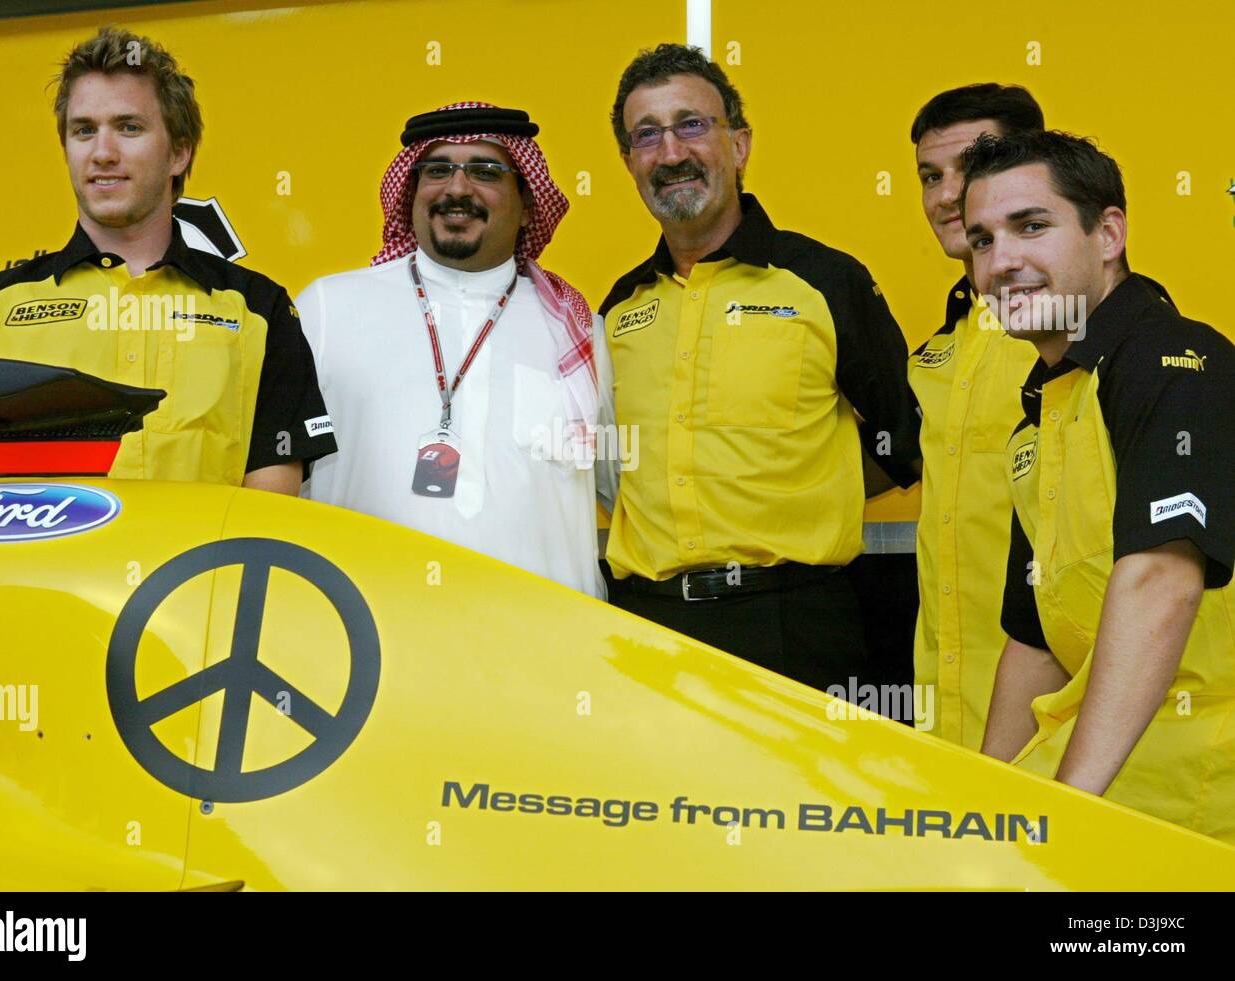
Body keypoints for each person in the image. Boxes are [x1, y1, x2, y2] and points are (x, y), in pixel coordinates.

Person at [600, 44, 921, 690]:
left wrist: (802, 484)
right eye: (647, 136)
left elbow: (905, 440)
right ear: (630, 162)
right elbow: (611, 472)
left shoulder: (826, 281)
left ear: (739, 144)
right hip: (645, 630)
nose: (671, 153)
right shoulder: (616, 310)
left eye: (692, 125)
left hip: (795, 627)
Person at [963, 130, 1235, 843]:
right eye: (982, 241)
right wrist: (984, 811)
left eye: (1031, 226)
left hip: (1197, 800)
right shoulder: (1046, 411)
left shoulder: (1177, 361)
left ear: (1108, 232)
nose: (1002, 262)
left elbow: (1163, 579)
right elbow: (1035, 639)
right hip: (1105, 794)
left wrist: (1065, 810)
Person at [0, 26, 334, 492]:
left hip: (201, 567)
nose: (103, 153)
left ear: (179, 153)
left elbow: (274, 503)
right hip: (41, 566)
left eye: (129, 127)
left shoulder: (257, 307)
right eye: (84, 130)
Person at [298, 103, 613, 598]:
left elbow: (626, 496)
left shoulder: (578, 331)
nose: (457, 189)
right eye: (438, 170)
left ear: (529, 203)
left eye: (486, 171)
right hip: (370, 643)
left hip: (547, 644)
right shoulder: (327, 308)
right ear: (411, 192)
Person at [907, 84, 1044, 746]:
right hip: (947, 723)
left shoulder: (1084, 332)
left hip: (1062, 728)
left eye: (967, 168)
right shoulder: (936, 354)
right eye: (930, 175)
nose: (943, 196)